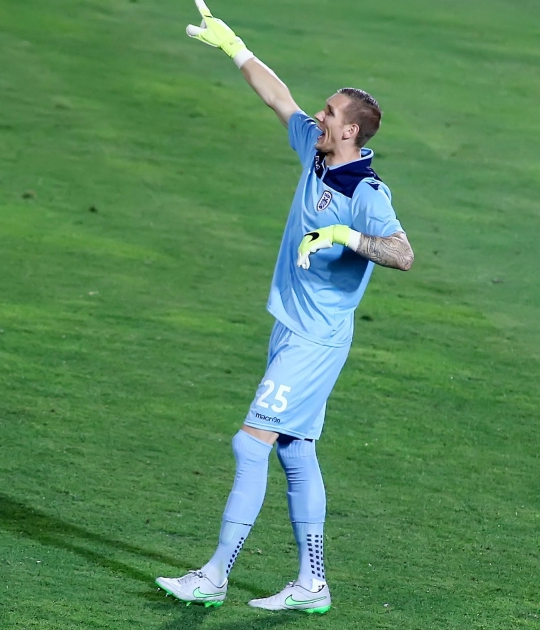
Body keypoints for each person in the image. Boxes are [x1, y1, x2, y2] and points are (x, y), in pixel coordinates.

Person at [153, 0, 415, 615]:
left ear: (351, 131)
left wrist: (344, 235)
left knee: (251, 445)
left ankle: (215, 575)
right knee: (295, 450)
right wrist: (235, 47)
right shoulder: (316, 154)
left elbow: (402, 254)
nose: (319, 116)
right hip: (291, 331)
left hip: (315, 341)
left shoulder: (367, 193)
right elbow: (278, 98)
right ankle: (312, 584)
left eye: (330, 113)